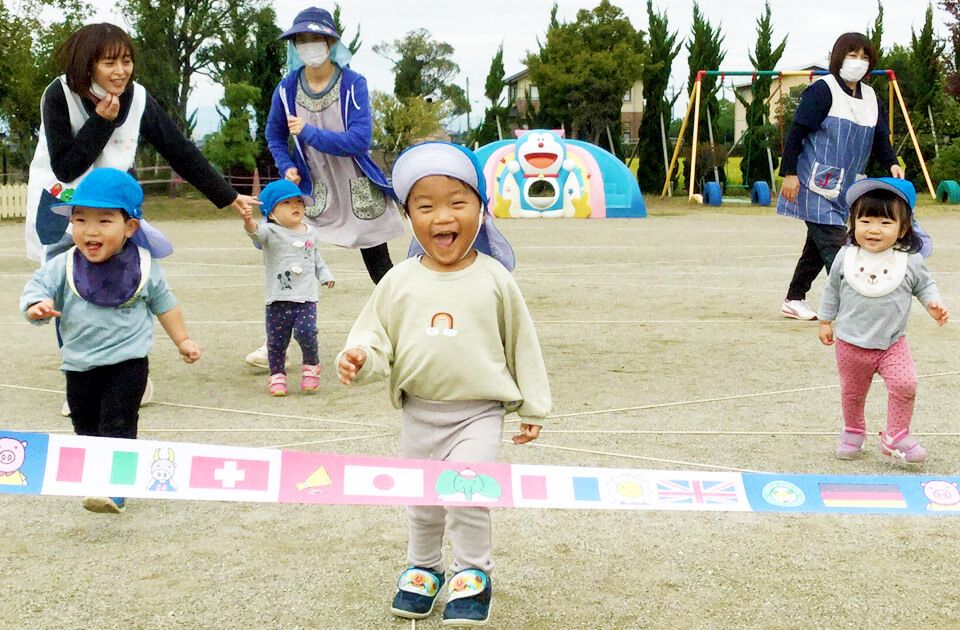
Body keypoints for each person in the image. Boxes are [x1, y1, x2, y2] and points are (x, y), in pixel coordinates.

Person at [337, 142, 550, 627]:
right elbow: (374, 338)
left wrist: (533, 407)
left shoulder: (495, 279)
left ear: (480, 208)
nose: (442, 217)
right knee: (424, 498)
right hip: (419, 412)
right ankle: (424, 567)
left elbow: (522, 342)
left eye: (457, 203)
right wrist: (359, 358)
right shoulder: (398, 281)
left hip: (478, 414)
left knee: (466, 495)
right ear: (408, 215)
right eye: (425, 206)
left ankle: (473, 575)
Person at [23, 23, 257, 414]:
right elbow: (66, 166)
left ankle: (129, 374)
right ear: (87, 65)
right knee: (71, 291)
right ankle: (79, 378)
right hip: (66, 208)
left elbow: (178, 149)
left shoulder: (138, 99)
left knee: (125, 284)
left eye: (127, 61)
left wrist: (227, 194)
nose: (121, 71)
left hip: (114, 209)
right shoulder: (58, 94)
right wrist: (101, 122)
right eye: (109, 62)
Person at [20, 168, 201, 513]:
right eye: (80, 219)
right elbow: (36, 287)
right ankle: (96, 478)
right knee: (85, 425)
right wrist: (35, 305)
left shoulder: (142, 267)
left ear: (130, 226)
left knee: (117, 423)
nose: (90, 230)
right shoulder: (64, 264)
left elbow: (165, 303)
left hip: (127, 363)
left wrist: (183, 340)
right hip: (78, 364)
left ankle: (116, 487)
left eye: (104, 221)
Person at [249, 6, 404, 369]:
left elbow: (359, 140)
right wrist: (287, 165)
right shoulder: (286, 88)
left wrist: (310, 132)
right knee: (291, 260)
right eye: (301, 40)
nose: (308, 46)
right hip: (312, 186)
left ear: (331, 42)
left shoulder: (354, 83)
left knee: (379, 265)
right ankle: (277, 344)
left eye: (315, 38)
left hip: (356, 185)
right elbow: (274, 134)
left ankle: (405, 333)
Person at [777, 32, 905, 321]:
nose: (858, 62)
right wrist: (789, 173)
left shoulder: (871, 97)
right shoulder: (823, 90)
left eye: (864, 57)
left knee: (816, 246)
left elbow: (880, 138)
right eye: (852, 55)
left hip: (849, 187)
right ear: (837, 57)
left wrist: (892, 164)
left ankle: (794, 298)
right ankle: (858, 306)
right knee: (839, 247)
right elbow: (797, 133)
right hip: (814, 183)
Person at [818, 178, 947, 464]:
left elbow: (925, 286)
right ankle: (853, 431)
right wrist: (825, 320)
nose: (874, 229)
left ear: (903, 228)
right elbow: (832, 289)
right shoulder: (845, 256)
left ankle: (896, 436)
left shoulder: (909, 259)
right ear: (853, 223)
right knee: (852, 393)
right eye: (865, 221)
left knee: (906, 384)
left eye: (886, 223)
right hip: (850, 344)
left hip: (892, 343)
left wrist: (933, 304)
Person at [238, 179, 335, 396]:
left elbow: (315, 257)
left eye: (299, 201)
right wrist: (248, 221)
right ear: (271, 212)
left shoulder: (311, 232)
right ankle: (277, 375)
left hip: (306, 297)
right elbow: (256, 233)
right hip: (277, 299)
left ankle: (311, 366)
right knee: (276, 341)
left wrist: (325, 275)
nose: (296, 206)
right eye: (287, 203)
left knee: (306, 333)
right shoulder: (269, 231)